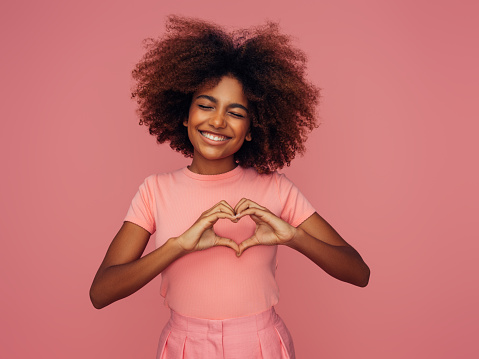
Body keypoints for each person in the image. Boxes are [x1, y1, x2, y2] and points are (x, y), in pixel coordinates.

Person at [90, 15, 370, 359]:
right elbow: (101, 292)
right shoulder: (154, 191)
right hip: (183, 347)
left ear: (253, 128)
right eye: (206, 105)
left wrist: (293, 237)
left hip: (261, 345)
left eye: (235, 112)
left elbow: (358, 272)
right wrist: (178, 245)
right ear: (184, 114)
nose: (218, 121)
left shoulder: (276, 190)